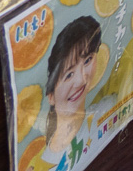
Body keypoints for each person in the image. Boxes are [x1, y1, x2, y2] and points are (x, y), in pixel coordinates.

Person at [27, 15, 101, 171]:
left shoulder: (107, 110)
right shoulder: (35, 166)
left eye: (87, 60)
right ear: (51, 96)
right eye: (68, 75)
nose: (81, 79)